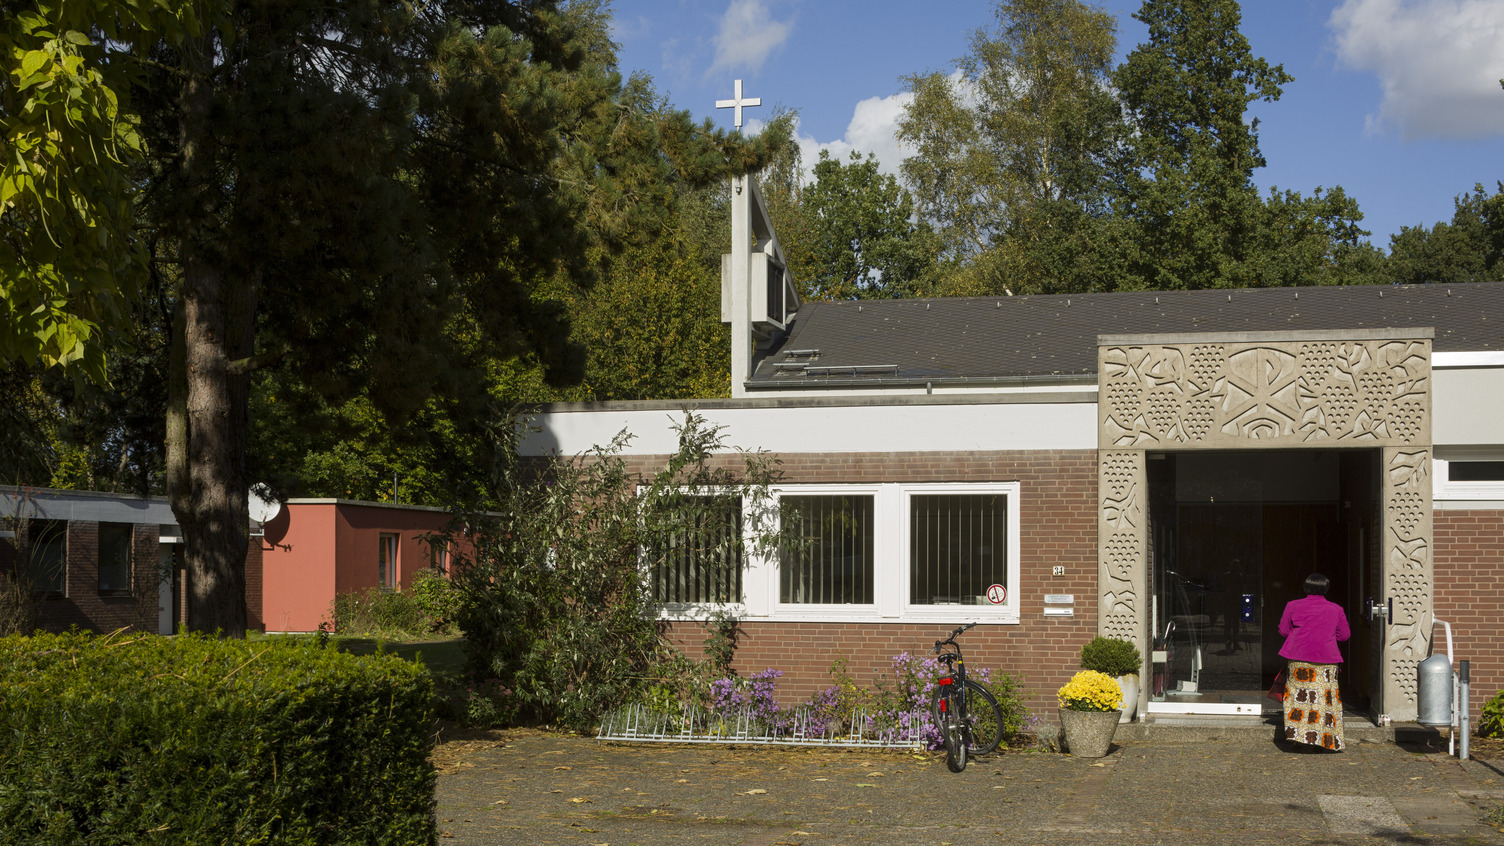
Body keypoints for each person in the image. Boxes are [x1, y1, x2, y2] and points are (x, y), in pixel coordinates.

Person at [1277, 573, 1350, 751]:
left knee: (1298, 699)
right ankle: (1324, 741)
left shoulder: (1293, 606)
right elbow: (1344, 635)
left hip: (1298, 659)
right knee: (1325, 700)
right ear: (1326, 589)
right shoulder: (1336, 609)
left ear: (1306, 588)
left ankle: (1299, 739)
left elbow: (1283, 631)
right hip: (1327, 659)